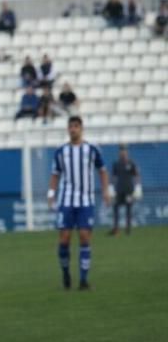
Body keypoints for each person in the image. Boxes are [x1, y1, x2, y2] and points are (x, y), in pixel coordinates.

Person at [47, 116, 111, 290]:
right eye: (70, 127)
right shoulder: (61, 152)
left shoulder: (91, 150)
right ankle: (66, 273)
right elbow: (55, 175)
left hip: (85, 201)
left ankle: (83, 280)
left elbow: (103, 171)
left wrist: (106, 191)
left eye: (76, 126)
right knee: (64, 239)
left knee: (84, 237)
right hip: (66, 201)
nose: (73, 129)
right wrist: (51, 194)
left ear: (81, 128)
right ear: (68, 129)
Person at [109, 145, 141, 236]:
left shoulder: (131, 163)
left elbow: (137, 175)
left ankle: (128, 230)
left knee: (128, 210)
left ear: (127, 152)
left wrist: (138, 187)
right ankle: (116, 229)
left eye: (124, 151)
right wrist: (111, 188)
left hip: (129, 191)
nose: (122, 153)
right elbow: (113, 177)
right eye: (121, 151)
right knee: (115, 208)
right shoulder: (116, 163)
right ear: (119, 153)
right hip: (119, 190)